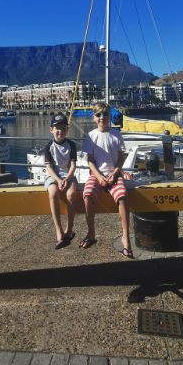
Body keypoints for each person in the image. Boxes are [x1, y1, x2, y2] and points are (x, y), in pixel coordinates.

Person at [80, 102, 134, 258]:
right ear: (94, 118)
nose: (102, 117)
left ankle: (125, 237)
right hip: (96, 176)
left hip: (115, 175)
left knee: (122, 197)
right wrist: (99, 177)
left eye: (105, 114)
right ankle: (91, 233)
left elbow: (121, 157)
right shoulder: (90, 136)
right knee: (87, 195)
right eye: (98, 115)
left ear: (110, 116)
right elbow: (90, 160)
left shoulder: (116, 134)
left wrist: (115, 173)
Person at [42, 113, 78, 249]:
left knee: (71, 194)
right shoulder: (48, 146)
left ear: (67, 130)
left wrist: (67, 179)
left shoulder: (71, 145)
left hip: (68, 175)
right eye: (57, 128)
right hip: (54, 176)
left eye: (63, 128)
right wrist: (58, 180)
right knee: (52, 193)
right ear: (51, 130)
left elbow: (73, 165)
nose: (60, 131)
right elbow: (49, 167)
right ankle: (59, 231)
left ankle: (69, 229)